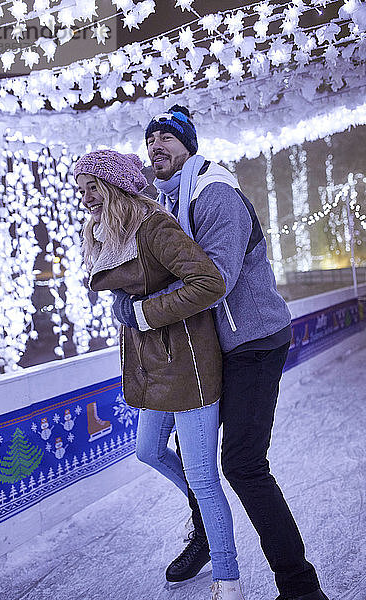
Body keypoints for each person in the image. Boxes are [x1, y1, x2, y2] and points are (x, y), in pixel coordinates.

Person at [112, 106, 330, 600]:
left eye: (168, 136)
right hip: (216, 347)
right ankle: (207, 533)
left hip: (253, 340)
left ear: (190, 146)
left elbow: (215, 283)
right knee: (188, 458)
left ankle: (301, 588)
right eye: (151, 139)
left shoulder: (214, 194)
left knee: (243, 464)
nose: (156, 145)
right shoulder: (171, 203)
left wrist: (142, 312)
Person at [74, 149, 245, 600]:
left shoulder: (155, 227)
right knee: (147, 450)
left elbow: (209, 282)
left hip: (188, 362)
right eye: (82, 188)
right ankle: (204, 510)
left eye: (94, 185)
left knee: (204, 476)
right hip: (151, 363)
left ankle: (227, 579)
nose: (86, 196)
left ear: (116, 185)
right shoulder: (110, 236)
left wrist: (146, 312)